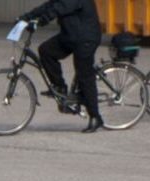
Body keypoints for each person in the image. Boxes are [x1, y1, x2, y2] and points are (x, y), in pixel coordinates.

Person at [20, 0, 104, 133]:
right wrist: (26, 17)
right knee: (46, 50)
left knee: (84, 76)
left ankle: (95, 117)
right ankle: (60, 87)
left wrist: (41, 21)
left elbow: (61, 7)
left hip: (86, 38)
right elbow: (50, 5)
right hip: (70, 36)